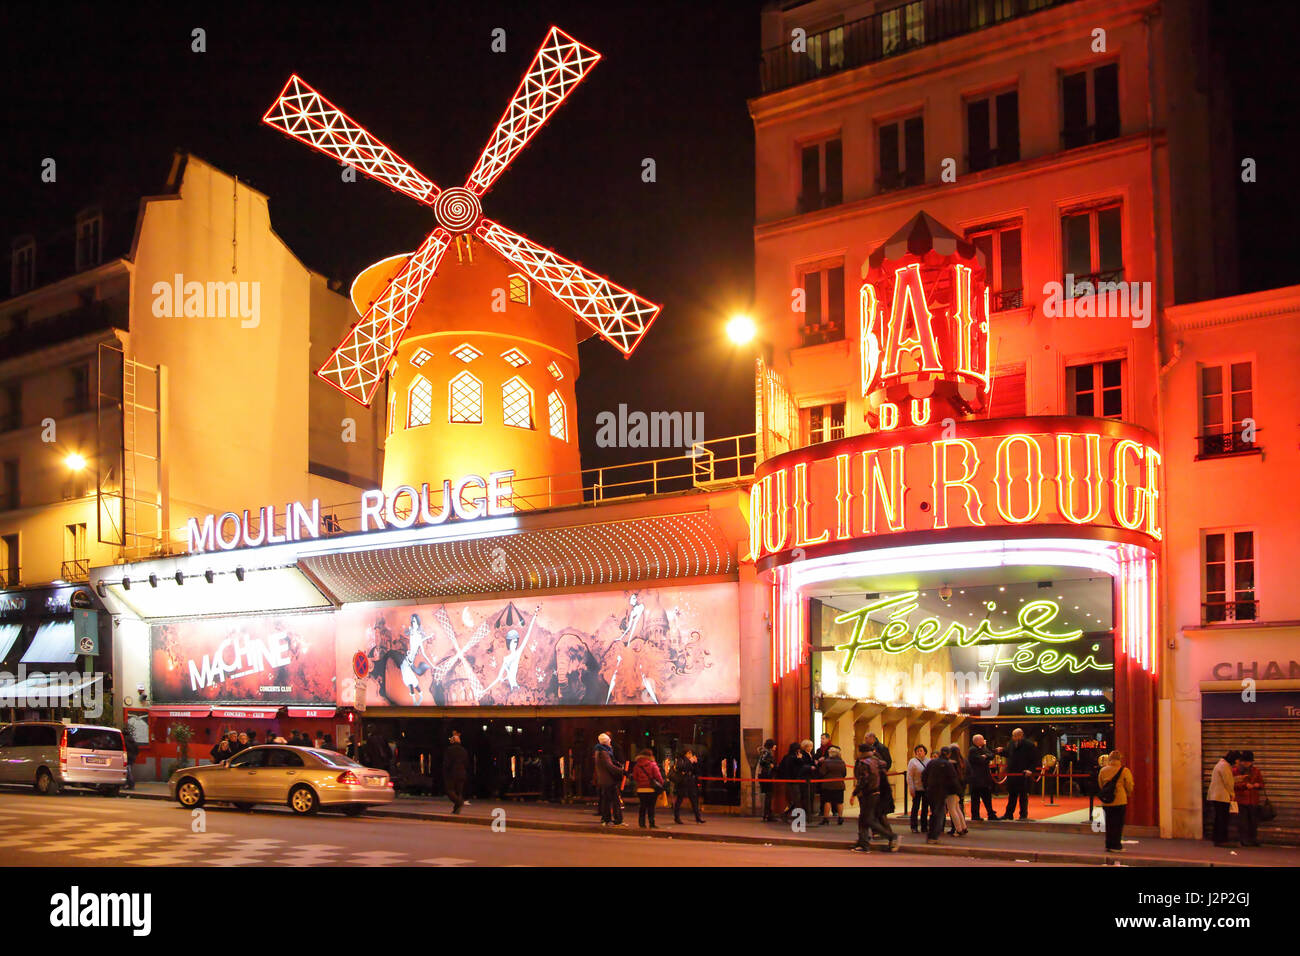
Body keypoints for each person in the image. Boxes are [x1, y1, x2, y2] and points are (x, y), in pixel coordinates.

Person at [849, 743, 899, 852]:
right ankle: (863, 843)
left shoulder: (863, 763)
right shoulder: (877, 761)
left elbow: (863, 780)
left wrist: (854, 793)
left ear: (860, 752)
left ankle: (891, 836)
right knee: (865, 818)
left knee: (868, 819)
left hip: (868, 793)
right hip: (879, 792)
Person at [1097, 749, 1134, 853]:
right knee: (1118, 824)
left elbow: (1100, 784)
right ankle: (1116, 845)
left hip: (1107, 801)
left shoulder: (1103, 770)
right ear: (1120, 759)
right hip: (1120, 800)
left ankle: (1108, 844)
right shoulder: (1124, 770)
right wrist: (1127, 793)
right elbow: (1129, 785)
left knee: (1109, 823)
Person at [999, 729, 1039, 821]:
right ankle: (1009, 814)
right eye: (1013, 736)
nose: (1013, 738)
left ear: (1020, 735)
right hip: (1012, 773)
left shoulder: (1029, 745)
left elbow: (1035, 759)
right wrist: (1001, 751)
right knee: (1012, 795)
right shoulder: (1011, 744)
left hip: (1024, 773)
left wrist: (1030, 770)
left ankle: (1023, 815)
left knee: (1023, 796)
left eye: (1015, 736)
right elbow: (1009, 754)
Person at [922, 746, 960, 844]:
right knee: (938, 814)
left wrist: (926, 786)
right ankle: (933, 836)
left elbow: (924, 775)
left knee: (933, 813)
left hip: (930, 790)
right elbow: (953, 779)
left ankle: (931, 834)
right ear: (948, 754)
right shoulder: (948, 764)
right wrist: (958, 792)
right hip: (941, 791)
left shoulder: (932, 762)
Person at [1207, 750, 1240, 846]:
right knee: (1223, 819)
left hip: (1217, 796)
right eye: (1237, 760)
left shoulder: (1221, 764)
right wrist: (1232, 794)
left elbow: (1227, 779)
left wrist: (1237, 779)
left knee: (1219, 818)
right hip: (1221, 796)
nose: (1238, 763)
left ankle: (1217, 838)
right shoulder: (1224, 766)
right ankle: (1221, 840)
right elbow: (1228, 782)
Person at [594, 733, 627, 826]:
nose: (610, 743)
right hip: (609, 780)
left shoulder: (599, 751)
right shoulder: (604, 752)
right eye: (609, 741)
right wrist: (622, 771)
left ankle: (606, 818)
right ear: (606, 742)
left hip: (604, 780)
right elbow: (609, 766)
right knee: (615, 800)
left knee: (607, 800)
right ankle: (617, 819)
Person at [1234, 751, 1264, 847]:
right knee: (1243, 822)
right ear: (1241, 761)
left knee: (1253, 822)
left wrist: (1257, 785)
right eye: (1245, 761)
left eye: (1249, 762)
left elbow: (1262, 783)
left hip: (1253, 800)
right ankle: (1244, 840)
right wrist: (1245, 785)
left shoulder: (1256, 771)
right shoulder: (1235, 771)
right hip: (1241, 800)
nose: (1247, 763)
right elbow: (1232, 784)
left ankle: (1253, 839)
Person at [631, 749, 665, 829]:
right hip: (651, 789)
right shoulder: (653, 765)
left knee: (642, 806)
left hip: (640, 789)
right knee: (651, 807)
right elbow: (658, 776)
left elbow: (635, 777)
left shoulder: (637, 765)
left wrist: (640, 783)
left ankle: (641, 823)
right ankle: (651, 823)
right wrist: (661, 783)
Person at [815, 745, 847, 825]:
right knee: (839, 802)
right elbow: (844, 773)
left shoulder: (826, 762)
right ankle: (840, 818)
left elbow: (822, 773)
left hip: (828, 784)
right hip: (839, 784)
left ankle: (826, 818)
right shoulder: (842, 762)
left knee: (827, 801)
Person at [967, 735, 996, 821]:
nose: (984, 741)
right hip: (976, 779)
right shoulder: (972, 750)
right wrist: (985, 757)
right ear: (977, 741)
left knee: (987, 797)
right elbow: (979, 760)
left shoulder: (984, 748)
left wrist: (985, 756)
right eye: (982, 740)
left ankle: (991, 813)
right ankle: (975, 815)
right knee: (975, 798)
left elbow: (991, 755)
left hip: (985, 778)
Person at [672, 749, 705, 824]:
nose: (691, 754)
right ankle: (677, 817)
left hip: (691, 781)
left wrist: (696, 763)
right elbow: (681, 767)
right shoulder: (681, 760)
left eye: (691, 753)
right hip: (683, 782)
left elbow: (696, 770)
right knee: (679, 799)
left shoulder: (691, 760)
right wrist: (690, 761)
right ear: (685, 754)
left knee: (694, 799)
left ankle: (698, 817)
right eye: (689, 753)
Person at [776, 742, 805, 823]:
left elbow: (781, 768)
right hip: (795, 781)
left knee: (793, 799)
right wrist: (800, 759)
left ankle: (786, 814)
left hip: (788, 780)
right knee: (797, 800)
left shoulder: (786, 757)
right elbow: (800, 767)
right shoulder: (795, 758)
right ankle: (797, 817)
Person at [443, 731, 470, 814]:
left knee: (450, 790)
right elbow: (467, 762)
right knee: (459, 791)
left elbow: (447, 763)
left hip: (452, 773)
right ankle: (456, 809)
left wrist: (445, 771)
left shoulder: (449, 750)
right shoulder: (464, 751)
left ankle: (459, 802)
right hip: (462, 773)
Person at [944, 747, 969, 837]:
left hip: (951, 788)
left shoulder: (951, 764)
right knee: (957, 808)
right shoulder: (962, 762)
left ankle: (958, 829)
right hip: (959, 788)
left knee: (952, 809)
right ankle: (964, 827)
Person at [907, 745, 929, 833]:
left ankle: (924, 826)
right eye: (917, 751)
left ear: (925, 752)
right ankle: (914, 826)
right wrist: (911, 788)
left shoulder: (929, 761)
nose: (919, 752)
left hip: (926, 788)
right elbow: (909, 776)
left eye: (921, 751)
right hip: (916, 788)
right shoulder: (913, 762)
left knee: (925, 808)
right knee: (915, 808)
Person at [756, 738, 777, 822]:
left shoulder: (765, 752)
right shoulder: (767, 752)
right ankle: (767, 814)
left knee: (767, 794)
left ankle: (767, 813)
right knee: (768, 794)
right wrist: (770, 765)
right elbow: (763, 761)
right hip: (766, 775)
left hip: (763, 775)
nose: (776, 746)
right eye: (774, 744)